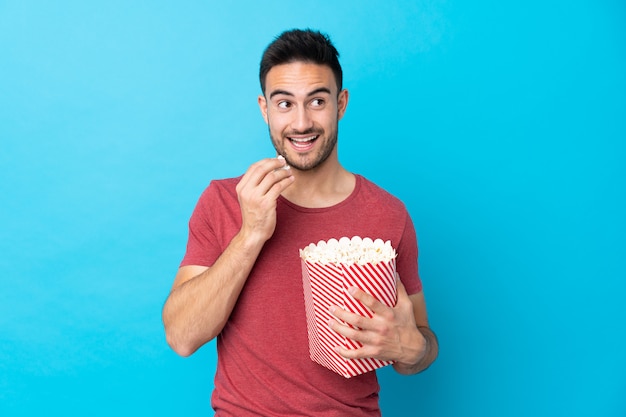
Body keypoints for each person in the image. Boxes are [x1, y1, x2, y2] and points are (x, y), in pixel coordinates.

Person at [162, 28, 438, 416]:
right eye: (285, 104)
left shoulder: (388, 214)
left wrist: (412, 347)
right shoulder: (225, 201)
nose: (302, 122)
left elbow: (420, 342)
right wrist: (251, 233)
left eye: (317, 101)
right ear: (265, 109)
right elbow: (182, 336)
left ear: (341, 104)